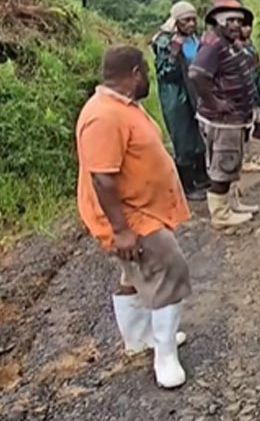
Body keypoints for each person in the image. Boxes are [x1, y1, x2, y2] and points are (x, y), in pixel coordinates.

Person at [76, 46, 191, 389]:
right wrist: (122, 230)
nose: (150, 80)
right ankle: (165, 356)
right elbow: (102, 177)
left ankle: (140, 338)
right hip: (132, 218)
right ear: (136, 73)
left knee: (133, 274)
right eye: (147, 73)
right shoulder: (103, 115)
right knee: (170, 270)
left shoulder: (122, 107)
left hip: (143, 209)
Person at [188, 0, 259, 228]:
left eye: (239, 20)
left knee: (232, 162)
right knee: (223, 164)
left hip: (235, 117)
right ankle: (221, 215)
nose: (236, 25)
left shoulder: (229, 42)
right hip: (222, 120)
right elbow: (197, 74)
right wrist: (216, 102)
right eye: (231, 20)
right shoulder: (213, 44)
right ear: (218, 21)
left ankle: (231, 204)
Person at [149, 1, 208, 201]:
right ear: (176, 21)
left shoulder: (193, 39)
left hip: (194, 93)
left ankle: (202, 177)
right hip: (176, 96)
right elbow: (165, 74)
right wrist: (174, 54)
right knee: (183, 139)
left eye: (193, 19)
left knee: (199, 136)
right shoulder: (165, 41)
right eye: (186, 20)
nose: (191, 23)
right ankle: (187, 186)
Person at [238, 19, 260, 176]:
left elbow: (257, 70)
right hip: (244, 95)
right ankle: (243, 159)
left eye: (249, 26)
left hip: (256, 93)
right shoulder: (234, 48)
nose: (247, 29)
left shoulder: (250, 45)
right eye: (244, 26)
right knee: (245, 127)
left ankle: (255, 155)